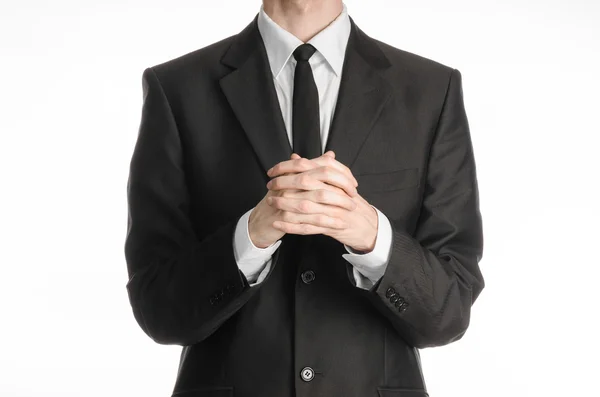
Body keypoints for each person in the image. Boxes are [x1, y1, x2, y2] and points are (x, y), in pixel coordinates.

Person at [124, 1, 485, 396]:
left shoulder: (431, 90)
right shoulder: (177, 88)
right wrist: (250, 237)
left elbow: (449, 312)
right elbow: (158, 310)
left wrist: (373, 237)